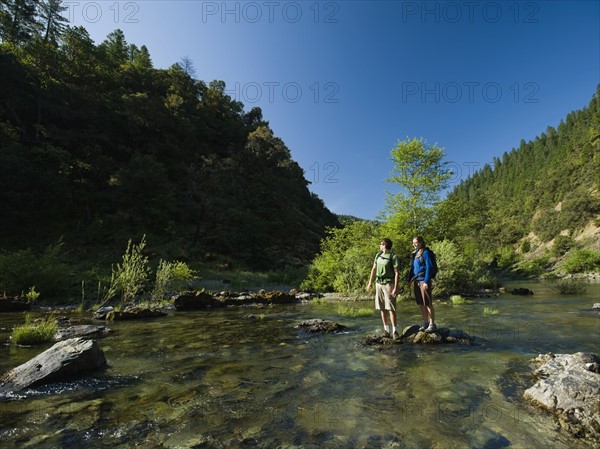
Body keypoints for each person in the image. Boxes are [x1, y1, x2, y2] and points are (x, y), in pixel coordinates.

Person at [366, 238, 400, 338]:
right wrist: (370, 283)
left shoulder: (393, 257)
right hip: (379, 284)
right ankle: (386, 330)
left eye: (381, 244)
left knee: (391, 308)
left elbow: (397, 273)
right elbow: (374, 269)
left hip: (389, 284)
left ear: (385, 245)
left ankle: (395, 331)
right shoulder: (378, 255)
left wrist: (395, 288)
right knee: (382, 307)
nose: (380, 246)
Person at [409, 236, 437, 333]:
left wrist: (426, 281)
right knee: (421, 303)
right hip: (417, 281)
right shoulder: (416, 253)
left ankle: (432, 324)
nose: (414, 244)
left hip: (424, 281)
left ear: (421, 242)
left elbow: (429, 267)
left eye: (416, 242)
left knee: (428, 303)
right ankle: (425, 322)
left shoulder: (426, 253)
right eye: (413, 243)